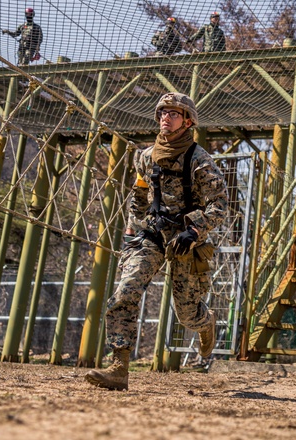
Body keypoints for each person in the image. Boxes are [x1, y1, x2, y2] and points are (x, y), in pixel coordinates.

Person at [85, 92, 228, 391]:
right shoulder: (145, 156)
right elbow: (138, 197)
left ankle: (206, 322)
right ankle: (119, 368)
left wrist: (194, 231)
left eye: (173, 113)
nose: (165, 117)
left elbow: (220, 206)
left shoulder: (200, 161)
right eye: (162, 112)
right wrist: (130, 231)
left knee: (187, 313)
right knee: (125, 291)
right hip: (150, 235)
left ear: (187, 121)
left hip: (184, 240)